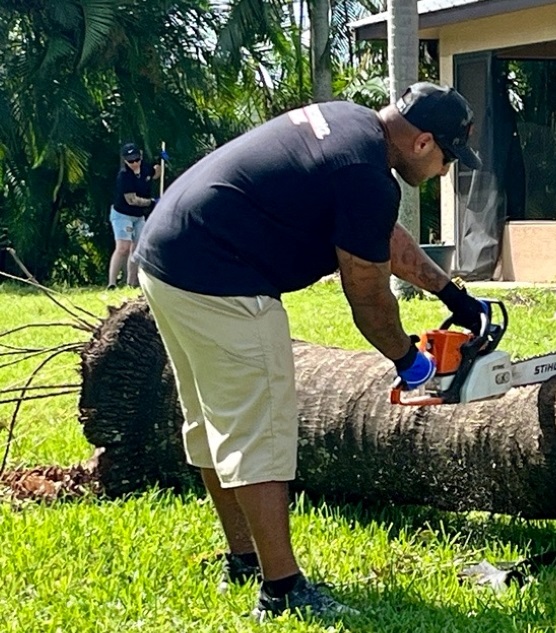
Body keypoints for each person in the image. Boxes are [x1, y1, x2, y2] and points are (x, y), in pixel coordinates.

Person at [132, 82, 487, 621]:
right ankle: (281, 590)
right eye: (447, 158)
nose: (444, 171)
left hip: (168, 258)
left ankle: (244, 559)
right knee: (260, 431)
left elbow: (380, 237)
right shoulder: (367, 174)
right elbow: (366, 295)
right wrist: (410, 362)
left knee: (212, 421)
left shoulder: (350, 125)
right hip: (221, 278)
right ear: (422, 143)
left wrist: (452, 296)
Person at [107, 142, 157, 289]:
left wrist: (161, 161)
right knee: (123, 247)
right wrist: (152, 202)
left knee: (137, 249)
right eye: (131, 161)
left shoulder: (145, 168)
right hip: (122, 215)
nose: (134, 163)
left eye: (137, 159)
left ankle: (132, 282)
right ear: (125, 160)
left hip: (139, 217)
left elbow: (155, 172)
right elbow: (132, 200)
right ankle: (112, 283)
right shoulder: (124, 176)